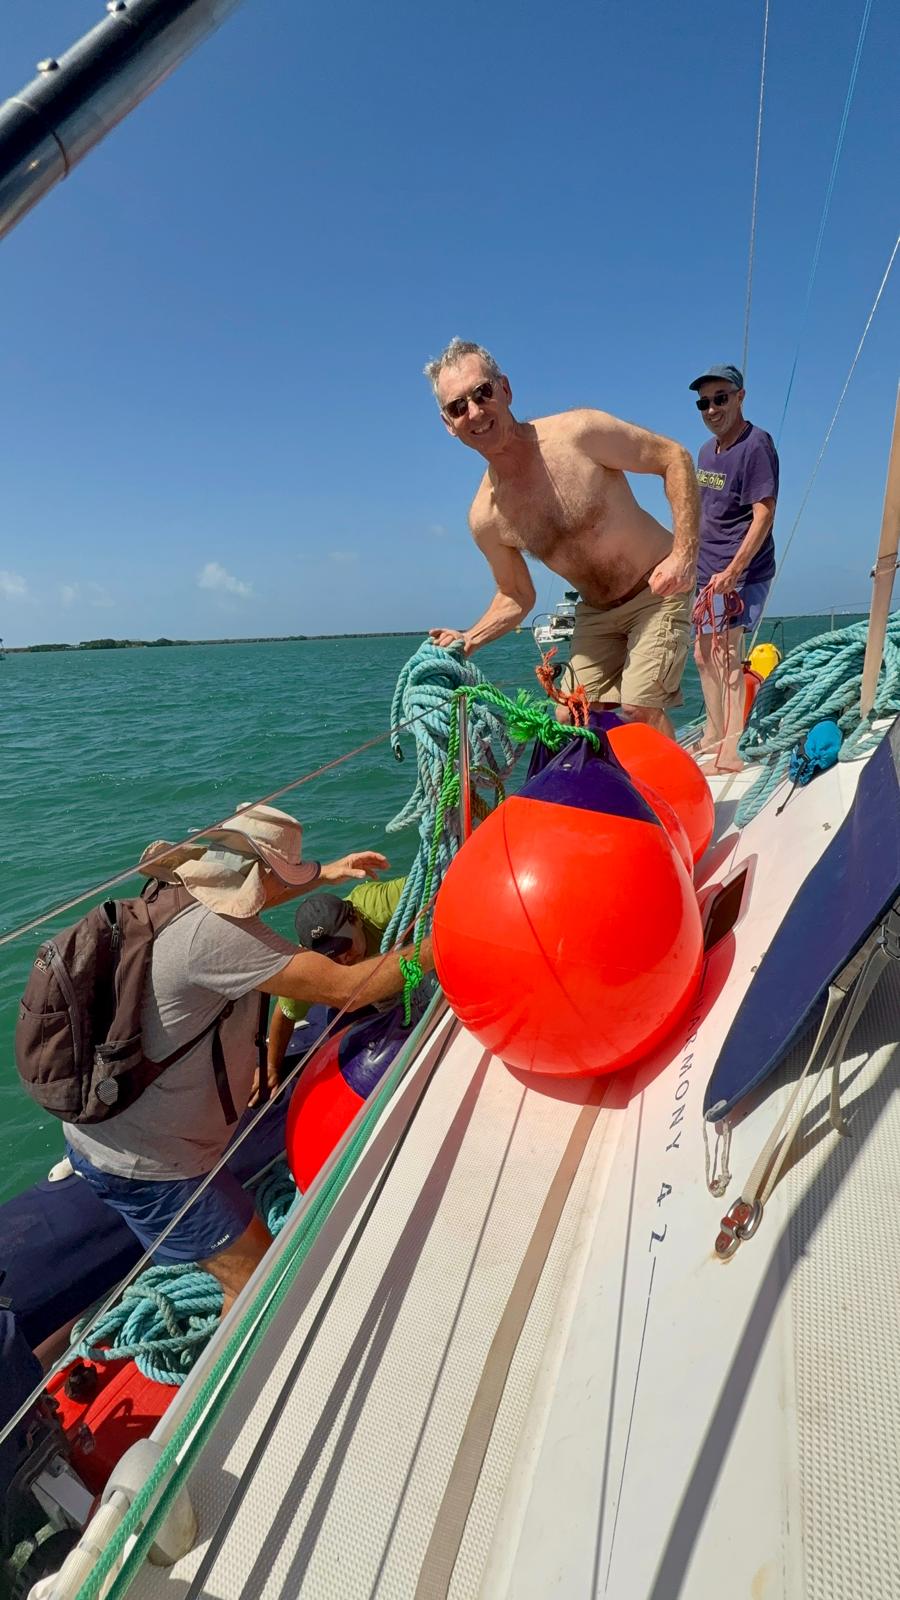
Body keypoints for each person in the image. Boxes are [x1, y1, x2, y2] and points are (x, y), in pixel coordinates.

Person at [64, 806, 432, 1313]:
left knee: (247, 1257)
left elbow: (254, 891)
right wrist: (443, 944)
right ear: (261, 881)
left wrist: (324, 873)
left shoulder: (168, 898)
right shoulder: (222, 940)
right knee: (258, 1285)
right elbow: (349, 986)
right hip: (148, 1163)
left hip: (121, 1128)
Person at [424, 338, 699, 738]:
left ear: (505, 390)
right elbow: (515, 594)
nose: (475, 411)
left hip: (657, 588)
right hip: (596, 611)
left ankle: (671, 799)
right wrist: (469, 638)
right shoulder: (486, 517)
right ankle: (610, 795)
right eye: (458, 407)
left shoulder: (579, 433)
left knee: (639, 709)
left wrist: (685, 554)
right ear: (449, 424)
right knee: (570, 717)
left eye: (482, 392)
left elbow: (673, 458)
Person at [690, 364, 779, 771]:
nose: (711, 409)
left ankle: (731, 751)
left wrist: (733, 571)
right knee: (702, 654)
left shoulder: (756, 444)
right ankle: (713, 732)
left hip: (740, 574)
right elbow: (704, 511)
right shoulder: (707, 452)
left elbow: (763, 514)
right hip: (707, 574)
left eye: (720, 398)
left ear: (740, 396)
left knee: (726, 654)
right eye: (704, 402)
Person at [265, 875, 407, 1084]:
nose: (343, 960)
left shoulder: (378, 905)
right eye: (331, 957)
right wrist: (272, 1068)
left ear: (356, 919)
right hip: (361, 997)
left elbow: (440, 876)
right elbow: (284, 1013)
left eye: (344, 947)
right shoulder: (309, 965)